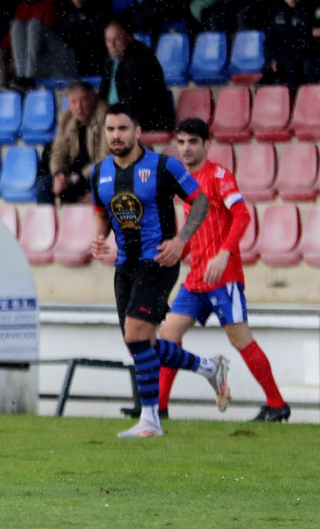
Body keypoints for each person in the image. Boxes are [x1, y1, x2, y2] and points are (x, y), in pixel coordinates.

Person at [90, 103, 230, 438]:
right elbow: (101, 210)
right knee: (139, 343)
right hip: (124, 266)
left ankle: (150, 420)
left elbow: (200, 202)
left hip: (159, 262)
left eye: (123, 129)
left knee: (136, 335)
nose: (116, 136)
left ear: (137, 131)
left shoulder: (164, 166)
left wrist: (181, 241)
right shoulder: (100, 173)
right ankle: (209, 368)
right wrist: (99, 238)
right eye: (110, 130)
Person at [159, 118, 290, 423]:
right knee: (168, 335)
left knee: (240, 339)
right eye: (181, 142)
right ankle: (159, 407)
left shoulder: (219, 175)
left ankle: (277, 404)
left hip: (223, 277)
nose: (186, 148)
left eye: (193, 141)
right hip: (196, 279)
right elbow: (197, 232)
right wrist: (176, 250)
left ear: (206, 144)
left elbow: (242, 214)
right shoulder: (184, 183)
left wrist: (223, 254)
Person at [8, 0, 76, 89]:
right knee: (16, 24)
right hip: (40, 66)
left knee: (35, 24)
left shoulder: (51, 2)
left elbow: (40, 35)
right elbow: (13, 37)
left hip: (59, 63)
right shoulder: (21, 7)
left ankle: (28, 78)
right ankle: (22, 77)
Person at [99, 22, 173, 132]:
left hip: (146, 118)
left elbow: (135, 100)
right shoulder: (111, 59)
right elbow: (103, 92)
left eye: (116, 39)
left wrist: (113, 113)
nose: (112, 44)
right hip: (119, 113)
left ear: (128, 38)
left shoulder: (140, 58)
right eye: (108, 40)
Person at [43, 81, 109, 204]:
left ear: (93, 99)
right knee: (44, 185)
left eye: (83, 101)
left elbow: (106, 157)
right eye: (73, 102)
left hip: (95, 174)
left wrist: (76, 177)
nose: (78, 107)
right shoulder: (66, 118)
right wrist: (59, 174)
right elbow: (58, 151)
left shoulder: (105, 115)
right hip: (72, 174)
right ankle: (47, 223)